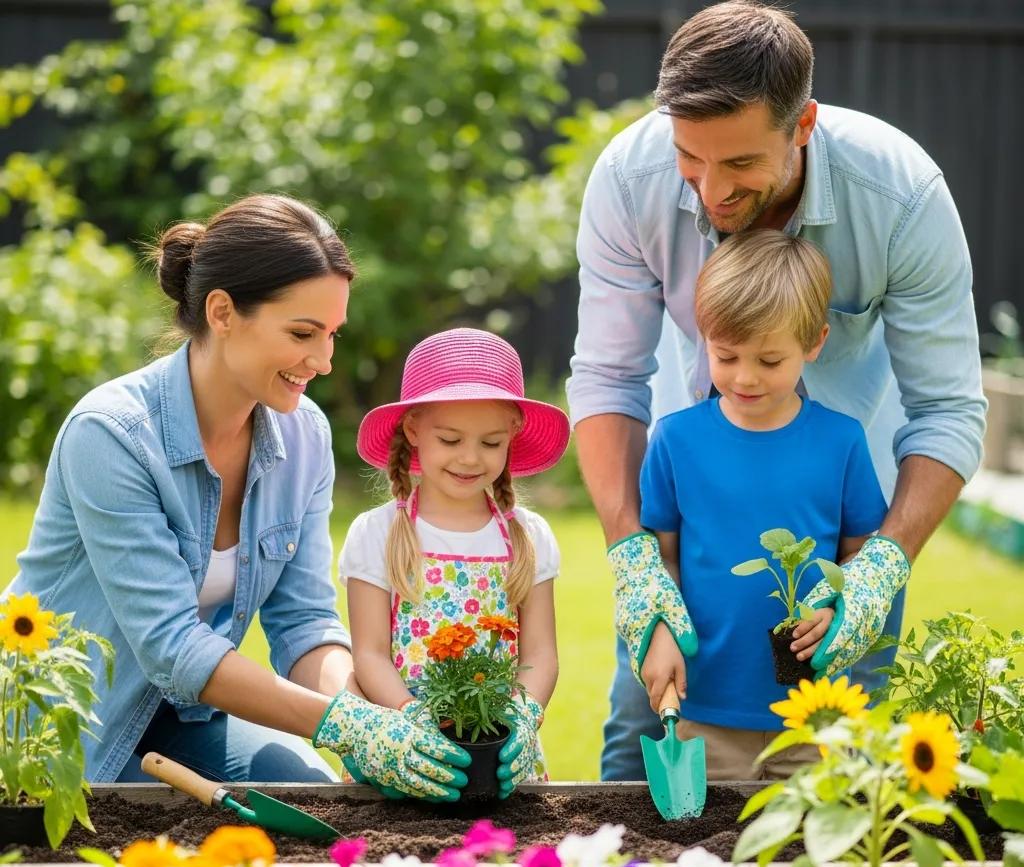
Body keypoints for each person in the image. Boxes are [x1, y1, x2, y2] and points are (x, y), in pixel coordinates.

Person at [566, 0, 986, 781]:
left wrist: (880, 567)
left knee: (837, 772)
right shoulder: (632, 178)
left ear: (803, 126)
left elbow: (948, 409)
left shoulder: (901, 198)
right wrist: (634, 556)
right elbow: (608, 376)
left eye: (740, 165)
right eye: (692, 157)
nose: (709, 190)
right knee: (638, 749)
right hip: (691, 506)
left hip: (849, 526)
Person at [6, 194, 471, 799]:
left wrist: (378, 717)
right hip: (63, 728)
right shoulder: (112, 435)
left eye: (331, 334)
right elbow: (172, 646)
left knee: (318, 797)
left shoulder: (305, 435)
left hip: (185, 717)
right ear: (222, 312)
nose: (324, 360)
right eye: (303, 333)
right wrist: (344, 725)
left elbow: (303, 621)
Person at [633, 230, 887, 779]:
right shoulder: (675, 440)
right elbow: (661, 560)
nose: (745, 377)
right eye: (726, 356)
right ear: (705, 339)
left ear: (814, 343)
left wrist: (833, 609)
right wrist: (657, 631)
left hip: (814, 717)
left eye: (770, 360)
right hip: (705, 709)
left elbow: (860, 556)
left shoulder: (842, 442)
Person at [338, 328, 570, 798]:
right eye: (450, 439)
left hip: (499, 751)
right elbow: (369, 654)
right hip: (404, 748)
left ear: (513, 437)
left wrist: (524, 719)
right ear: (413, 430)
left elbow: (541, 654)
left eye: (490, 443)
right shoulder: (377, 533)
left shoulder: (527, 536)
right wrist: (412, 719)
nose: (470, 458)